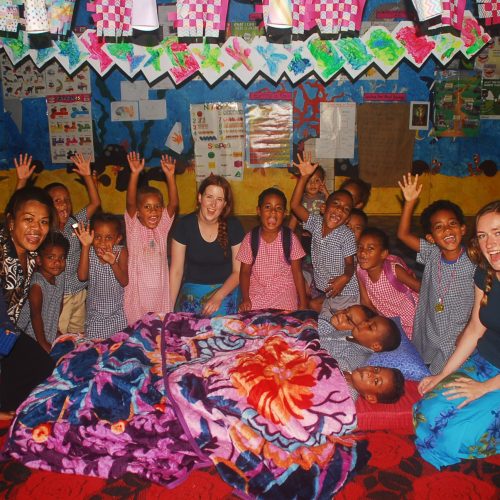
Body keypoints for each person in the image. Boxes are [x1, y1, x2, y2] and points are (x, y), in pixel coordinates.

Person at [414, 200, 500, 469]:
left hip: (493, 380)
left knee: (454, 435)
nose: (490, 244)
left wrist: (483, 388)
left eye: (498, 232)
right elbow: (475, 328)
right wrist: (444, 374)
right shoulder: (485, 273)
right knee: (426, 413)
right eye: (483, 235)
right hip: (486, 362)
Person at [397, 174, 475, 374]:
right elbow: (403, 235)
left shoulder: (475, 261)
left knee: (447, 371)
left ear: (463, 228)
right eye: (439, 227)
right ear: (431, 238)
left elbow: (483, 299)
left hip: (457, 329)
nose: (447, 230)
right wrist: (409, 203)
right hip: (430, 321)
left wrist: (468, 331)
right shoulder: (432, 253)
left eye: (452, 223)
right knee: (424, 360)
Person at [0, 186, 55, 416]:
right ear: (11, 222)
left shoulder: (31, 254)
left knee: (42, 367)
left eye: (43, 222)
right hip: (2, 330)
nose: (36, 228)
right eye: (28, 220)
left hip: (6, 330)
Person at [290, 152, 359, 318]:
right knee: (312, 306)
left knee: (328, 324)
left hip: (345, 291)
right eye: (335, 204)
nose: (339, 210)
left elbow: (350, 263)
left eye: (346, 209)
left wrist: (345, 277)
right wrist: (304, 177)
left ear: (348, 218)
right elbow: (295, 205)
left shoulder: (346, 235)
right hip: (328, 291)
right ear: (324, 207)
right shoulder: (315, 223)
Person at [170, 175, 244, 316]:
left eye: (219, 199)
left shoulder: (234, 226)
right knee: (188, 329)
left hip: (225, 288)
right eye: (209, 197)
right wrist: (168, 308)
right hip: (192, 289)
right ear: (200, 198)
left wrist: (218, 297)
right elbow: (176, 271)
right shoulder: (184, 225)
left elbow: (238, 272)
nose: (213, 204)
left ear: (225, 205)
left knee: (219, 327)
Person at [44, 154, 101, 334]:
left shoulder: (75, 223)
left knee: (78, 336)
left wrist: (86, 176)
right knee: (58, 334)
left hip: (79, 292)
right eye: (58, 201)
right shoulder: (45, 232)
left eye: (67, 200)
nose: (64, 204)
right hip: (58, 296)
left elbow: (95, 202)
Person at [124, 152, 178, 325]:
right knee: (139, 335)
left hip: (160, 296)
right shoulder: (134, 229)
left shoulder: (161, 229)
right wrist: (134, 175)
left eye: (157, 207)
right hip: (138, 298)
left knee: (158, 333)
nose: (153, 211)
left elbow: (174, 204)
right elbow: (130, 203)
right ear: (139, 212)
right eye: (147, 207)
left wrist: (170, 176)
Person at [237, 188, 307, 312]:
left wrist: (303, 302)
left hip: (284, 296)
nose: (273, 212)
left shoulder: (290, 238)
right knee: (250, 324)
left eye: (278, 208)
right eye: (268, 207)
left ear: (285, 213)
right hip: (257, 296)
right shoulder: (250, 238)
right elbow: (245, 272)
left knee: (286, 327)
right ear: (259, 211)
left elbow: (297, 273)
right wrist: (245, 298)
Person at [357, 227, 420, 339]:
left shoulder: (393, 270)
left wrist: (438, 305)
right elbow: (365, 301)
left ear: (383, 254)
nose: (362, 252)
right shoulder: (360, 270)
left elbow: (420, 287)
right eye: (360, 247)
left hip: (413, 319)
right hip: (390, 321)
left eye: (370, 248)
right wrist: (375, 322)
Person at [75, 213, 128, 339]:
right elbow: (82, 277)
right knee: (96, 347)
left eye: (108, 237)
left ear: (118, 238)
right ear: (91, 236)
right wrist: (86, 247)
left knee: (119, 346)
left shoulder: (121, 252)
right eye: (97, 237)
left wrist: (113, 263)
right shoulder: (89, 252)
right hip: (95, 315)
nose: (102, 242)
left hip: (118, 313)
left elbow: (124, 281)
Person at [17, 232, 69, 353]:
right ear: (39, 260)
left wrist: (54, 329)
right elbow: (36, 316)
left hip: (47, 329)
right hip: (31, 334)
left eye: (62, 257)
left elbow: (58, 303)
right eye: (51, 257)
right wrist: (42, 343)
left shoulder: (60, 276)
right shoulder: (37, 284)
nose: (57, 262)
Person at [318, 308, 401, 372]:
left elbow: (335, 367)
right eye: (367, 321)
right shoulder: (348, 333)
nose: (364, 323)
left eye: (370, 327)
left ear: (375, 346)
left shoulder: (358, 357)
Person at [288, 164, 328, 254]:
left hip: (322, 235)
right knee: (305, 253)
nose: (312, 184)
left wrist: (326, 193)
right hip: (305, 234)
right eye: (308, 181)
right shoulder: (300, 200)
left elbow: (333, 208)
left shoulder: (324, 198)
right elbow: (294, 217)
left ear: (323, 181)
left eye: (317, 180)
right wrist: (288, 235)